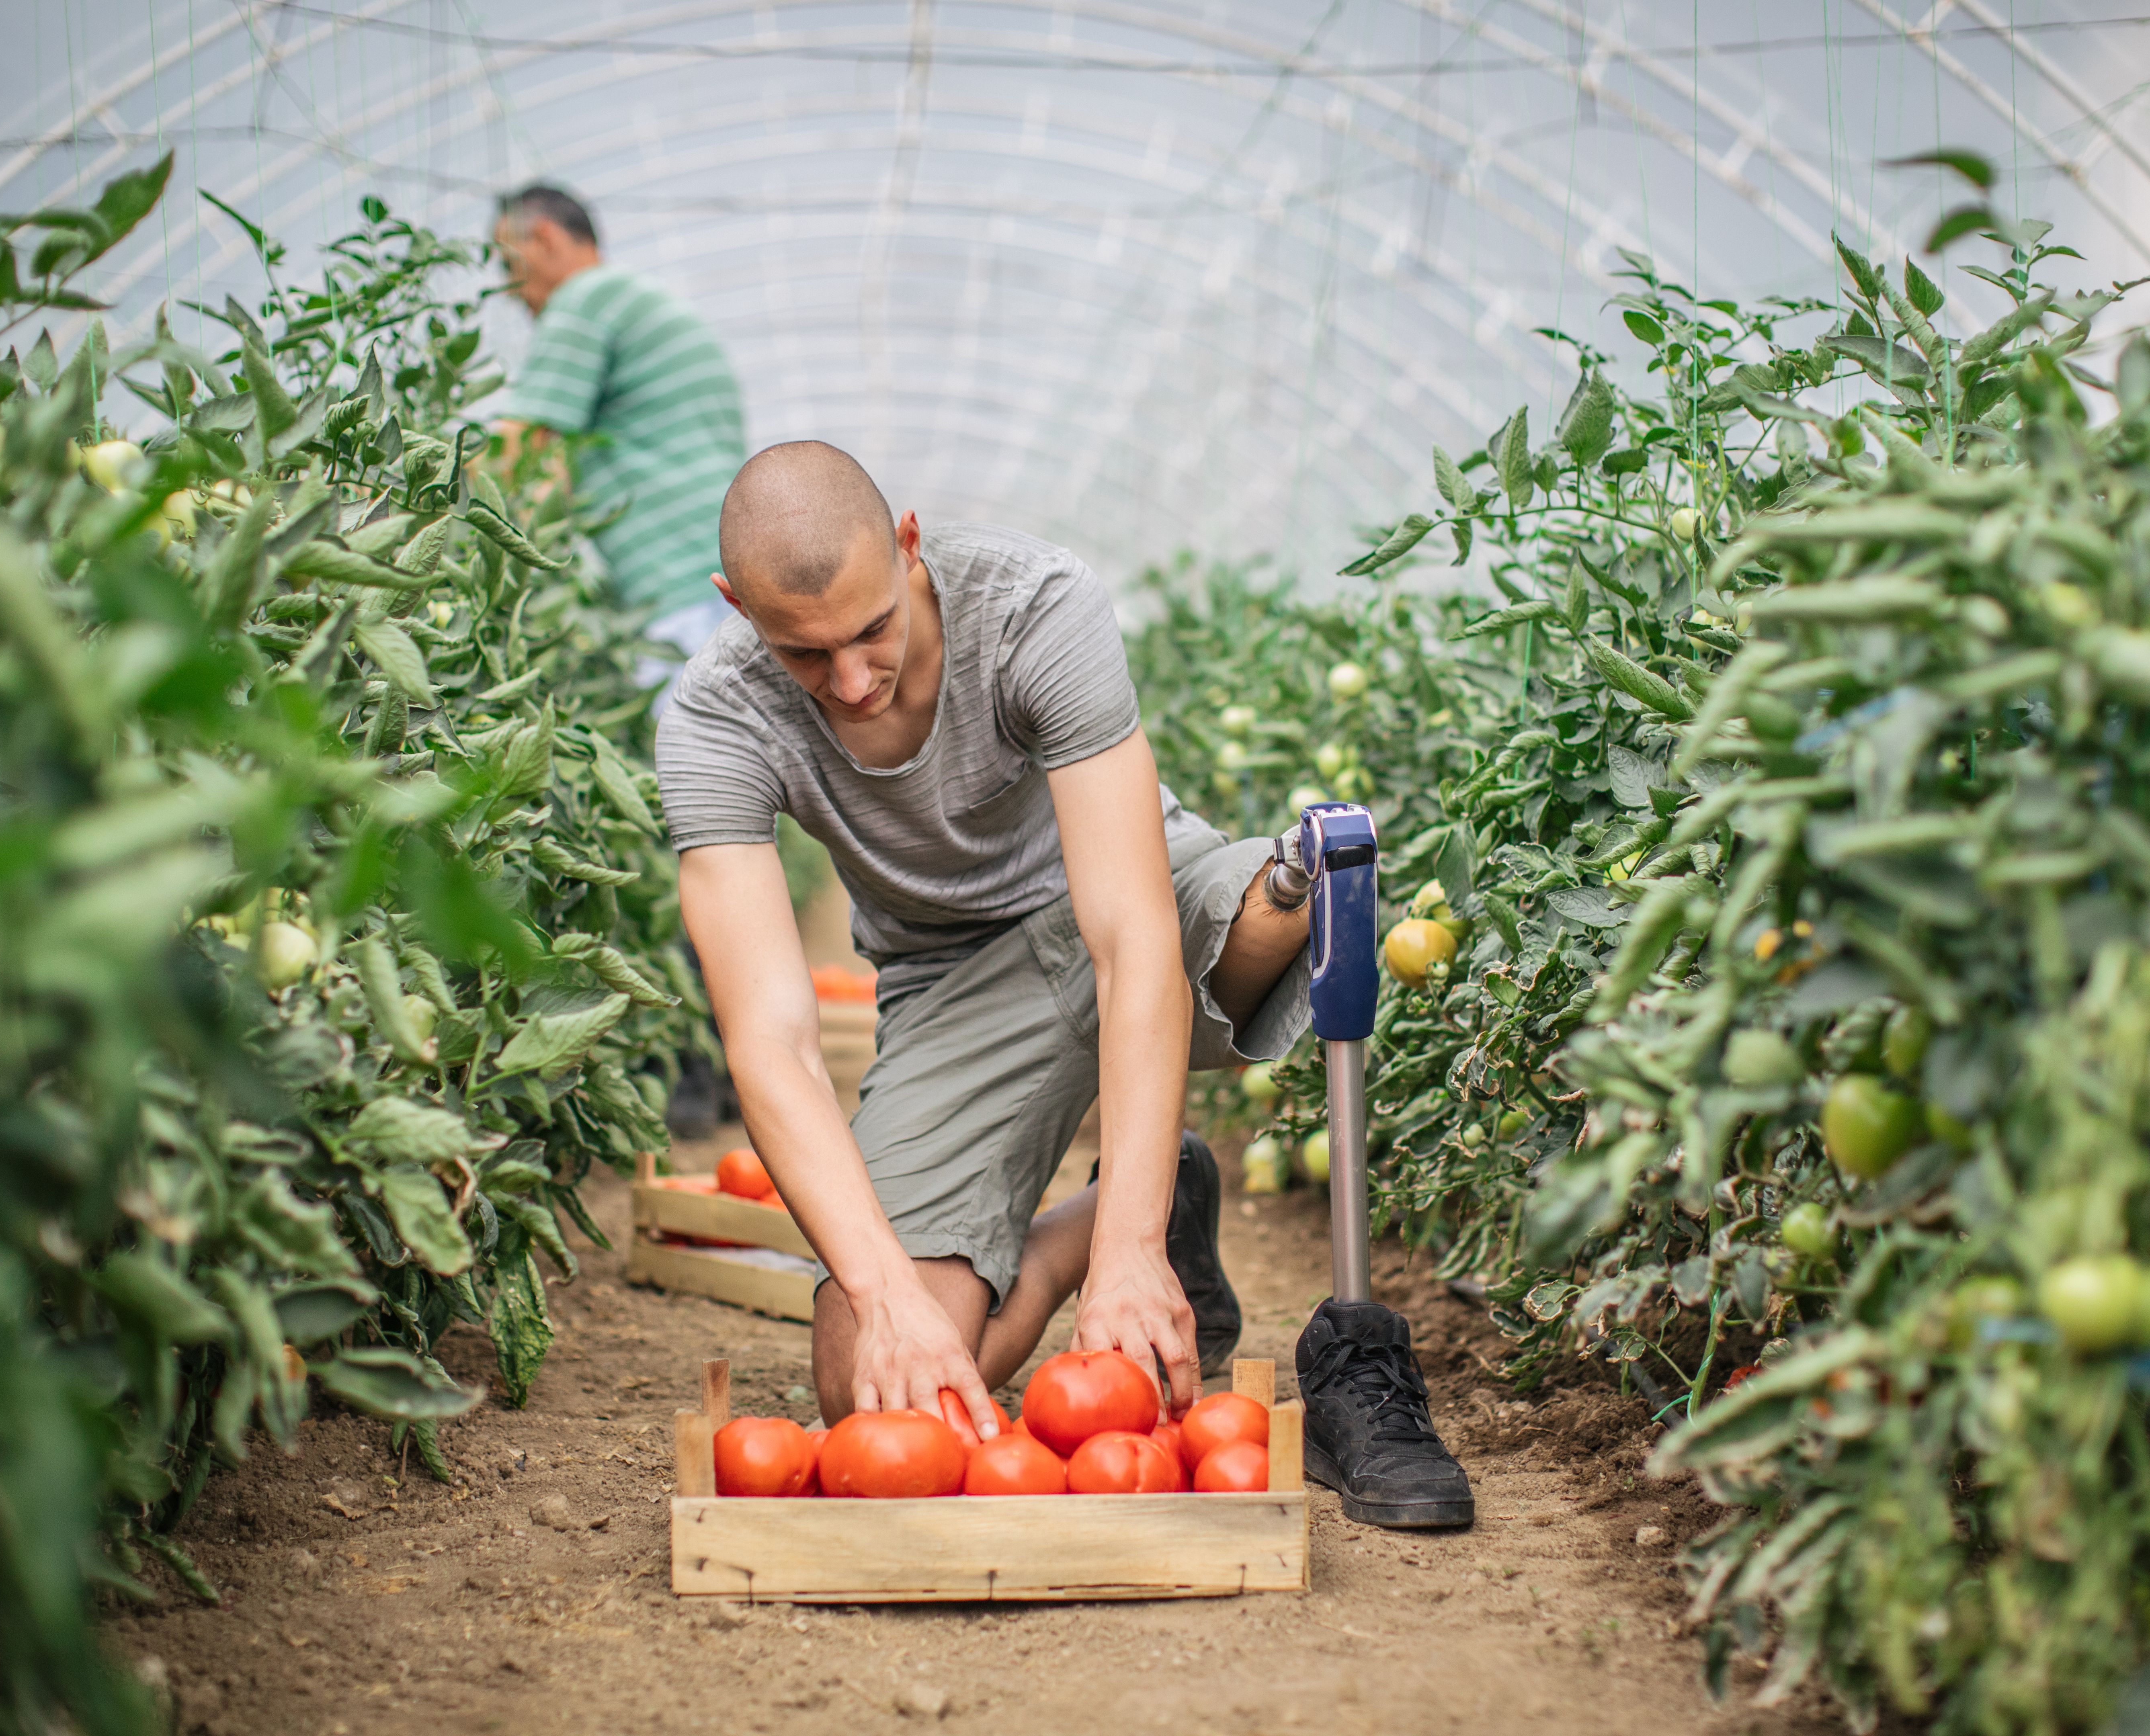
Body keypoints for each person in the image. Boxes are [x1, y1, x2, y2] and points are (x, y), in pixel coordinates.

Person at [652, 441, 1475, 1529]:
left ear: (907, 546)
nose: (851, 682)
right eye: (806, 655)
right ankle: (1127, 1203)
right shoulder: (716, 719)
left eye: (871, 633)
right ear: (735, 607)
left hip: (1140, 899)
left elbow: (1133, 937)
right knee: (870, 1384)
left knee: (1311, 889)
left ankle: (1258, 1292)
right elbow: (772, 1044)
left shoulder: (1032, 603)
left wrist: (1135, 1267)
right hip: (955, 982)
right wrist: (888, 1294)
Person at [486, 183, 746, 678]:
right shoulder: (643, 302)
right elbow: (553, 469)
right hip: (730, 575)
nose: (508, 291)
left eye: (506, 264)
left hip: (680, 595)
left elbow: (517, 447)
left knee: (705, 752)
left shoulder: (586, 299)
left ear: (542, 238)